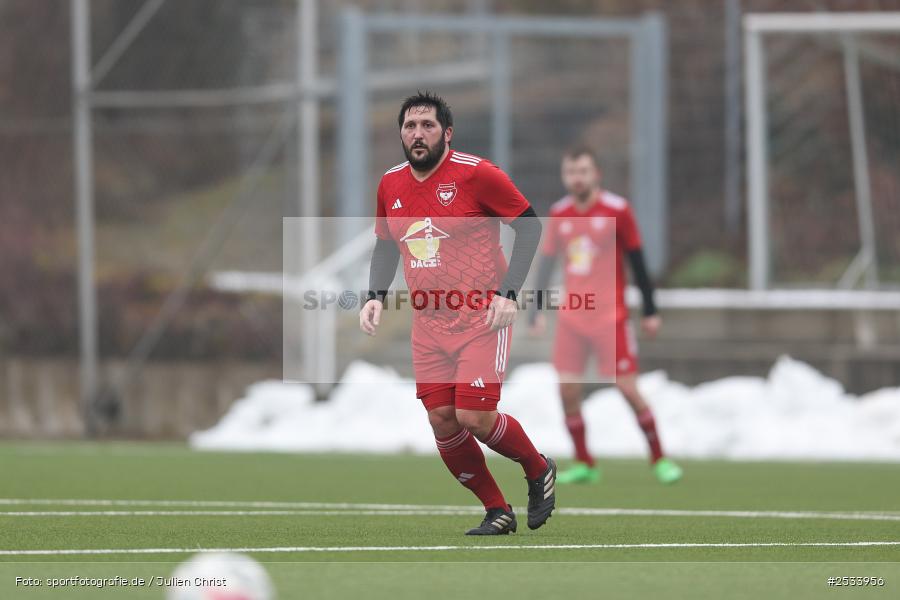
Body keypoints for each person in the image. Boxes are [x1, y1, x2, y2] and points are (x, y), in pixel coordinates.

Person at [359, 91, 556, 535]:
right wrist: (373, 294)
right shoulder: (390, 183)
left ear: (446, 133)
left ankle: (537, 467)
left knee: (475, 417)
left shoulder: (476, 175)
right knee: (442, 420)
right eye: (410, 126)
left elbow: (529, 224)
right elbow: (387, 243)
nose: (417, 133)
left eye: (427, 125)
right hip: (428, 326)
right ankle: (496, 510)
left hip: (481, 317)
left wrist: (509, 294)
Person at [529, 146, 683, 485]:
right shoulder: (559, 213)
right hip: (572, 318)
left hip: (610, 318)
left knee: (628, 388)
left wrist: (650, 309)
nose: (577, 178)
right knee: (567, 390)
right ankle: (585, 462)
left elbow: (637, 260)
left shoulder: (617, 210)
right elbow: (547, 264)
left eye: (583, 171)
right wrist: (535, 310)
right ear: (564, 176)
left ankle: (659, 459)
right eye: (571, 172)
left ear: (596, 174)